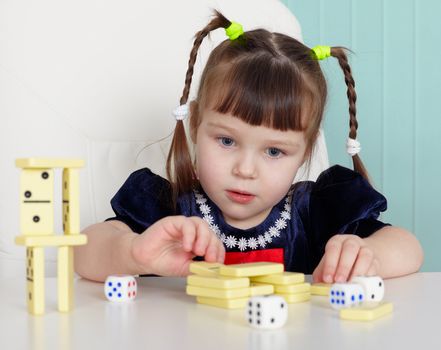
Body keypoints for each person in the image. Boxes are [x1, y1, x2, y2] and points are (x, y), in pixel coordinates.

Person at [74, 11, 423, 283]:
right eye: (226, 141)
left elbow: (410, 248)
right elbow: (84, 252)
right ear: (195, 123)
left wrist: (365, 253)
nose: (245, 169)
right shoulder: (170, 213)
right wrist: (132, 251)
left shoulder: (315, 213)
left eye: (274, 151)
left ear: (306, 150)